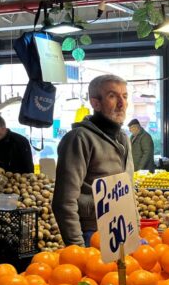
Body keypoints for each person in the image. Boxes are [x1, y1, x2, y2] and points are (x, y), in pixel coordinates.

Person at [53, 74, 133, 246]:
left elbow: (128, 189)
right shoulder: (79, 139)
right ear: (95, 103)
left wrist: (134, 227)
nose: (122, 103)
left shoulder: (124, 139)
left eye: (125, 96)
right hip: (93, 234)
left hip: (122, 229)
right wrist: (77, 247)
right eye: (113, 96)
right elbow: (64, 201)